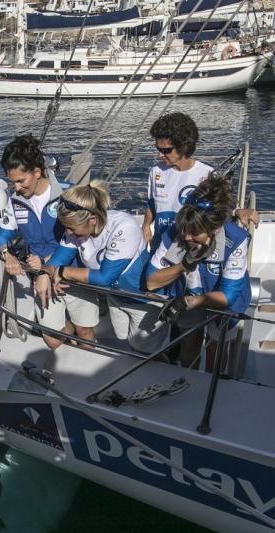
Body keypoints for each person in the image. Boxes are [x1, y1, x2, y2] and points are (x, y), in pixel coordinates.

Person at [35, 181, 168, 352]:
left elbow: (106, 277)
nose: (68, 233)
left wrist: (61, 272)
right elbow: (59, 258)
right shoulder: (78, 229)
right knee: (126, 343)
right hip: (116, 298)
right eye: (65, 227)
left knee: (146, 351)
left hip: (143, 300)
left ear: (92, 219)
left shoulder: (124, 227)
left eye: (72, 228)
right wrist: (44, 273)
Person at [146, 173, 251, 369]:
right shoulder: (176, 233)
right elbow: (151, 281)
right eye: (185, 230)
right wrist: (184, 264)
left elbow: (227, 296)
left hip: (218, 302)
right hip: (187, 297)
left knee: (215, 351)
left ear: (216, 228)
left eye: (195, 233)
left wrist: (190, 301)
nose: (186, 237)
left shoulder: (236, 239)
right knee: (189, 350)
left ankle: (212, 389)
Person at [142, 112, 258, 250]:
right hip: (161, 243)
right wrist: (146, 225)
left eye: (166, 150)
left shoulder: (207, 175)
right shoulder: (156, 171)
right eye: (158, 149)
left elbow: (221, 208)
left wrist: (238, 211)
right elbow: (152, 203)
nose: (159, 155)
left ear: (183, 147)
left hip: (189, 246)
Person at [0, 133, 69, 276]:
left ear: (37, 172)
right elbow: (1, 237)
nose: (16, 188)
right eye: (12, 182)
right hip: (36, 273)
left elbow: (80, 242)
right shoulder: (15, 201)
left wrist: (47, 263)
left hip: (66, 275)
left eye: (21, 181)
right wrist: (7, 254)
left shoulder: (67, 195)